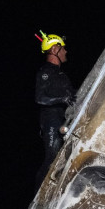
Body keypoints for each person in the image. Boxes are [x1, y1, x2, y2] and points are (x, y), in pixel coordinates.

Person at [35, 30, 76, 189]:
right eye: (63, 48)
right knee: (52, 157)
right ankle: (36, 198)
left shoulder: (62, 75)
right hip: (51, 120)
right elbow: (39, 98)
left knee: (65, 158)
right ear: (54, 50)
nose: (66, 51)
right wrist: (62, 99)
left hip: (64, 119)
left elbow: (73, 98)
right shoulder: (45, 71)